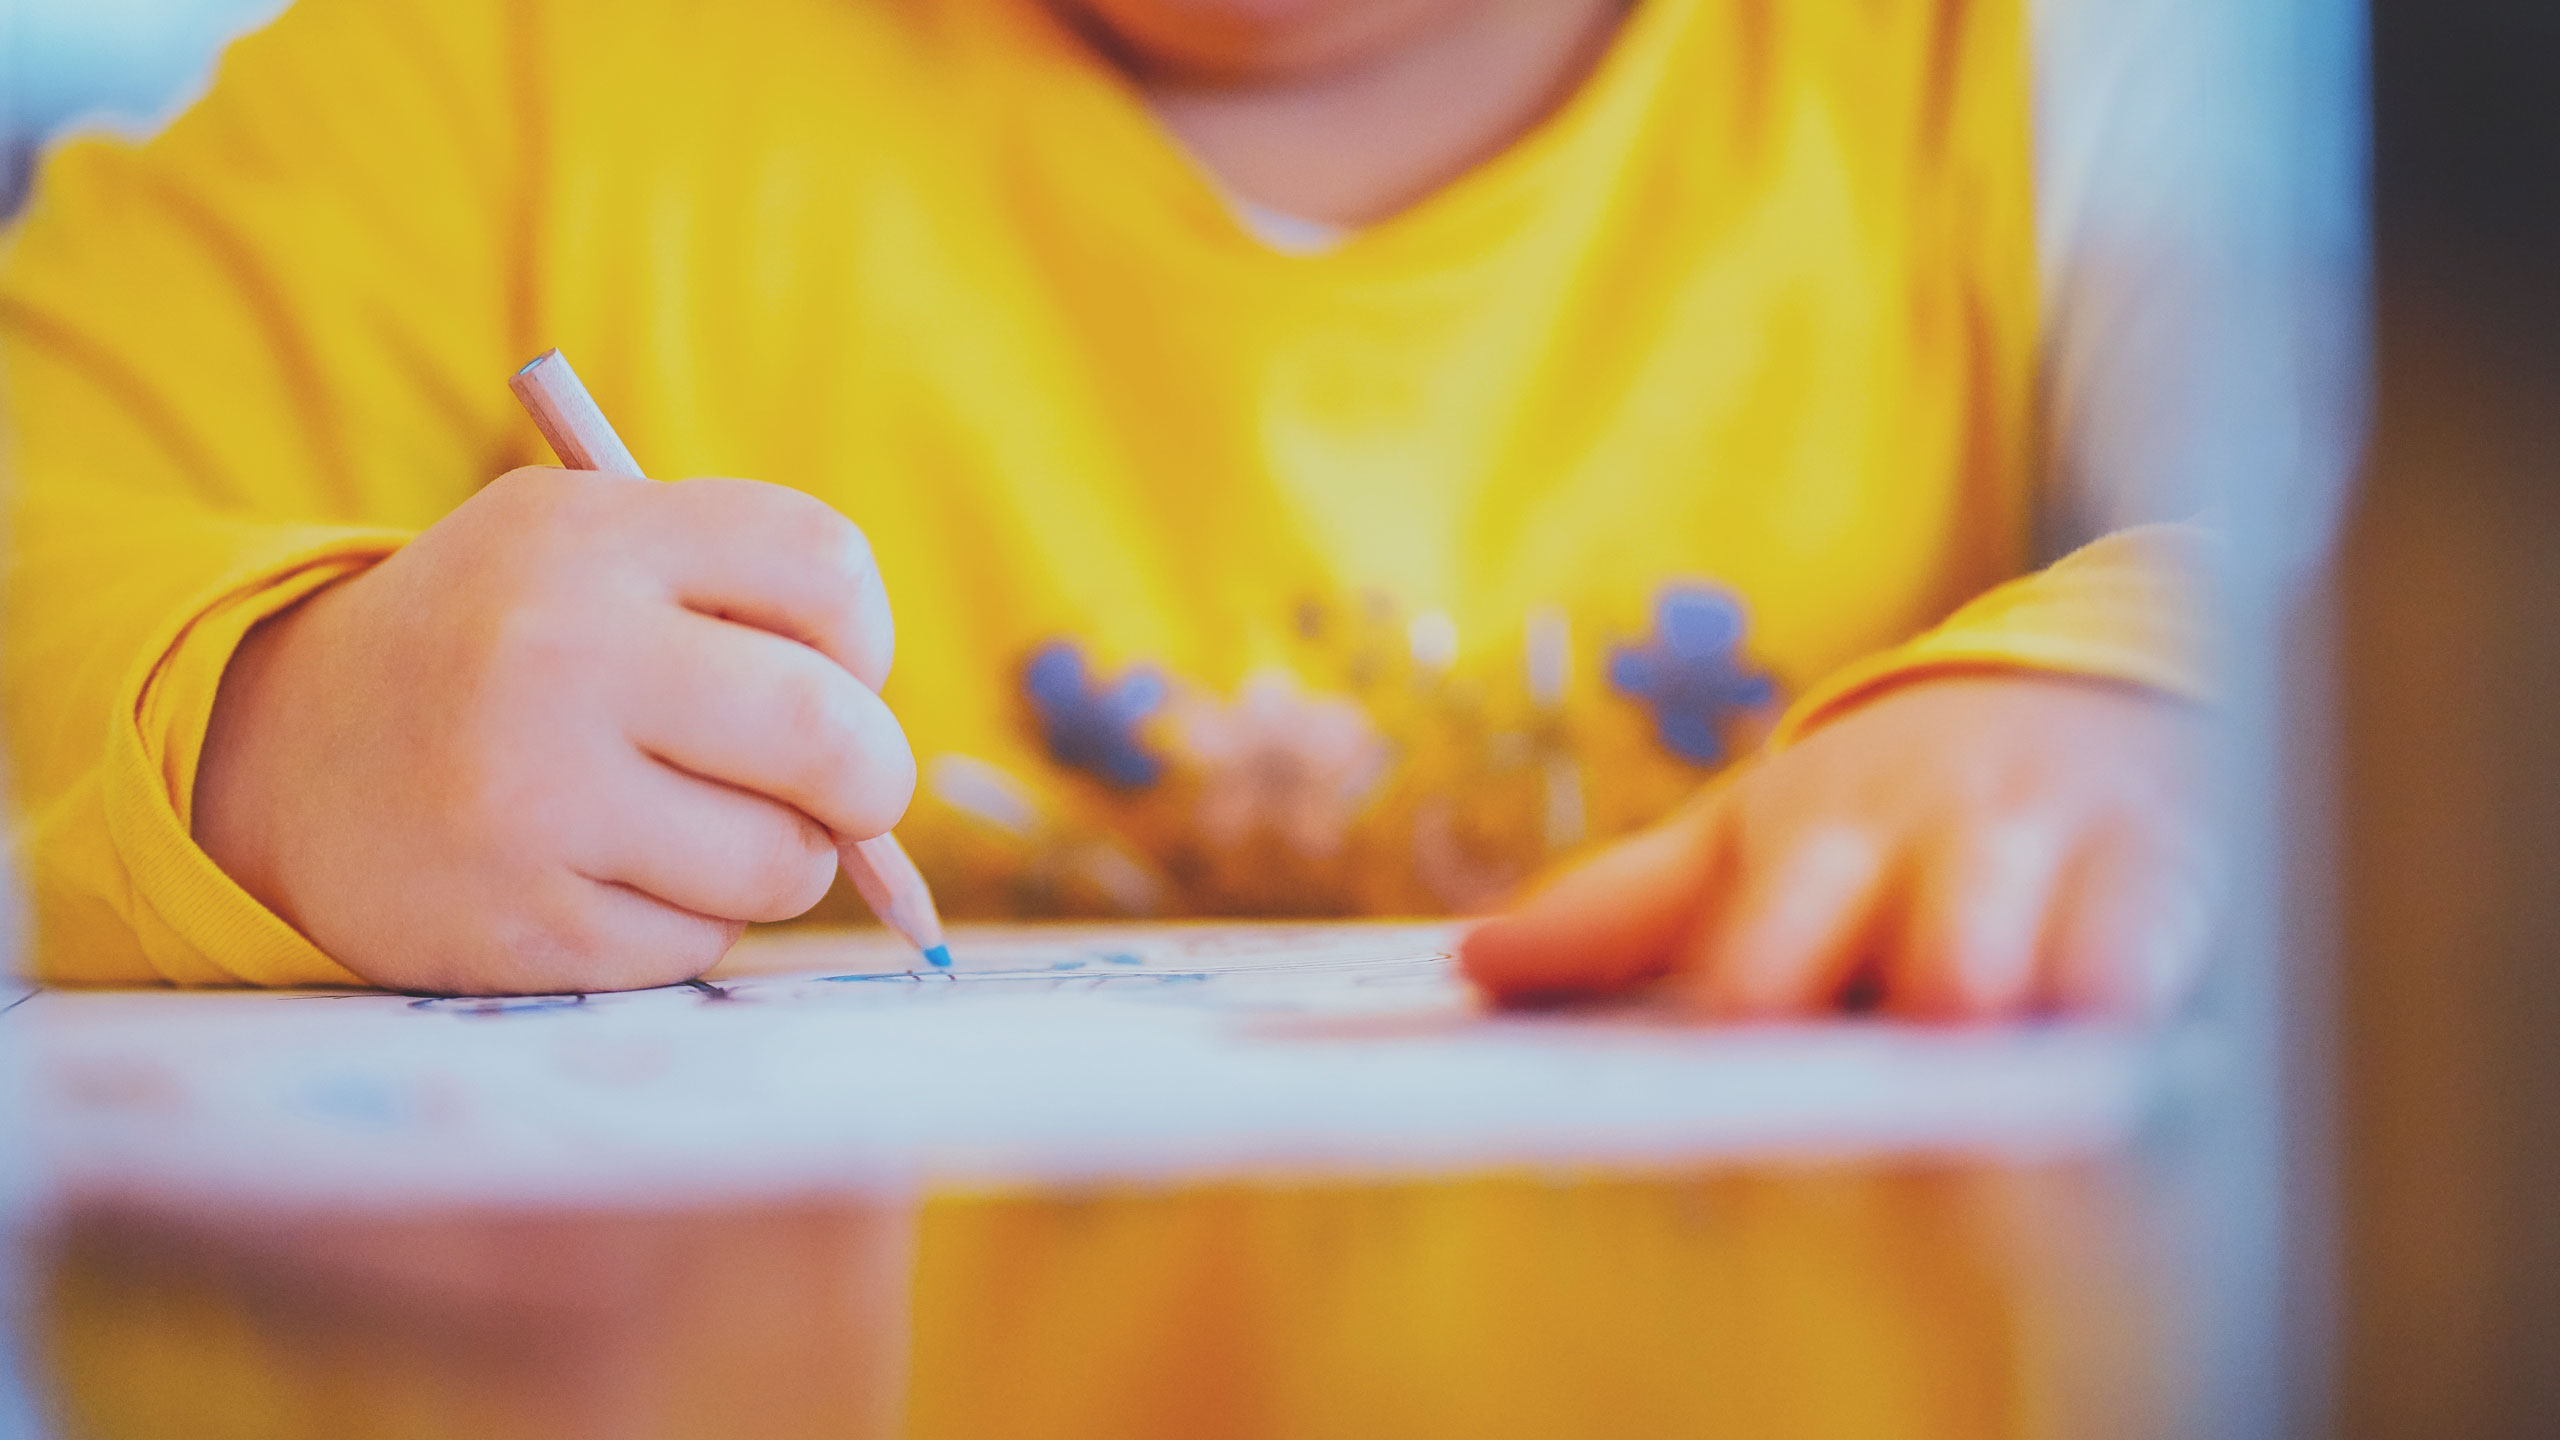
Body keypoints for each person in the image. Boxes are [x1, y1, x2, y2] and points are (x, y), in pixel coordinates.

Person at [0, 0, 2212, 1009]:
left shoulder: (2046, 63)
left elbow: (2367, 518)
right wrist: (276, 728)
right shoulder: (494, 72)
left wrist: (2131, 706)